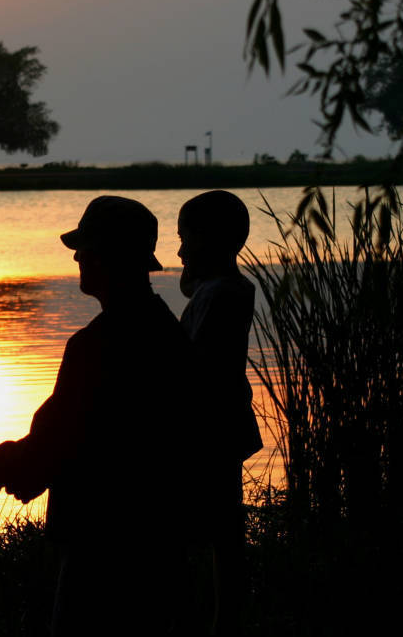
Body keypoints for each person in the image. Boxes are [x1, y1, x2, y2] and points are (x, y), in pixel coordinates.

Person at [0, 196, 203, 636]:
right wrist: (2, 465)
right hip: (162, 542)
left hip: (100, 547)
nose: (77, 256)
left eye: (86, 247)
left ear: (110, 257)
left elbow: (55, 447)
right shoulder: (167, 332)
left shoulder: (94, 345)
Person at [177, 190, 263, 636]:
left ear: (208, 240)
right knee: (224, 531)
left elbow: (195, 365)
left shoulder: (220, 293)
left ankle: (221, 621)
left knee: (217, 535)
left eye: (185, 239)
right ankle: (223, 618)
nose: (179, 251)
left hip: (211, 431)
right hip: (224, 427)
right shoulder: (225, 288)